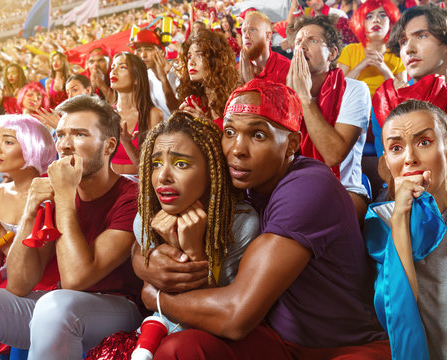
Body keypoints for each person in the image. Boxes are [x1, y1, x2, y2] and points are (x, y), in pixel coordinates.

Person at [134, 79, 389, 360]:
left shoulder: (308, 186)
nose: (237, 149)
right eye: (229, 131)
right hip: (278, 340)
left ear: (291, 144)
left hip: (346, 347)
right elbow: (151, 224)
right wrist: (147, 259)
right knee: (180, 350)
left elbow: (235, 316)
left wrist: (156, 296)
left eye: (258, 135)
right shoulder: (237, 178)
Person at [0, 95, 144, 359]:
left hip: (119, 307)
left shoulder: (131, 196)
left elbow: (77, 279)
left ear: (109, 146)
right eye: (61, 134)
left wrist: (65, 197)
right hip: (56, 307)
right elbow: (19, 285)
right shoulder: (52, 187)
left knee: (55, 307)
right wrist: (31, 209)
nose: (64, 145)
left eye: (79, 134)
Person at [85, 111, 260, 358]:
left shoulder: (241, 223)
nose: (163, 177)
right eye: (156, 164)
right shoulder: (145, 219)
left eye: (181, 164)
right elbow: (151, 296)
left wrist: (193, 250)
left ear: (212, 171)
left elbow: (217, 317)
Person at [365, 99, 447, 360]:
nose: (410, 158)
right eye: (396, 148)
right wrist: (401, 215)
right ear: (386, 162)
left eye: (424, 142)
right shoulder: (381, 221)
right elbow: (394, 310)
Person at [372, 5, 447, 189]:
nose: (409, 49)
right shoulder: (387, 98)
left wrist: (433, 113)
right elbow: (386, 171)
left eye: (421, 36)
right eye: (403, 42)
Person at [287, 15, 371, 222]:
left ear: (332, 53)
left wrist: (305, 98)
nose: (302, 47)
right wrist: (290, 96)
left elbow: (333, 154)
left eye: (312, 40)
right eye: (298, 42)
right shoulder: (284, 92)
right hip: (295, 187)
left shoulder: (355, 90)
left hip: (344, 189)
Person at [0, 115, 56, 285]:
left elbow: (31, 274)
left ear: (33, 147)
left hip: (39, 287)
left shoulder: (50, 196)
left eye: (8, 142)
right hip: (0, 280)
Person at [337, 0, 406, 98]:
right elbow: (338, 88)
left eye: (382, 15)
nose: (376, 20)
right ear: (361, 24)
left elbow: (403, 94)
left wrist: (385, 70)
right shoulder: (350, 50)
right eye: (369, 17)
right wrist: (361, 66)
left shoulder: (399, 53)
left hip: (388, 111)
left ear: (391, 23)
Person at [110, 52, 163, 175]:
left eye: (122, 67)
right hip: (110, 187)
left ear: (136, 79)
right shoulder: (106, 113)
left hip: (139, 186)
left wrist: (127, 143)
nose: (114, 71)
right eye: (113, 67)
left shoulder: (153, 114)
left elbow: (150, 168)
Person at [177, 29, 238, 127]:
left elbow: (235, 140)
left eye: (200, 55)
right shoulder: (196, 100)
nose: (191, 62)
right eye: (189, 57)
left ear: (216, 60)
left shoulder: (235, 99)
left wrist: (205, 124)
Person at [130, 29, 180, 120]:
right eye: (139, 50)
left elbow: (177, 112)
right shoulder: (147, 75)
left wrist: (163, 80)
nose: (143, 55)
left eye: (148, 49)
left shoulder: (179, 72)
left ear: (162, 52)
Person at [238, 11, 291, 86]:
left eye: (252, 30)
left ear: (268, 36)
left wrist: (250, 84)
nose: (246, 36)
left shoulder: (286, 68)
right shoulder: (237, 69)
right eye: (243, 31)